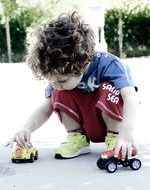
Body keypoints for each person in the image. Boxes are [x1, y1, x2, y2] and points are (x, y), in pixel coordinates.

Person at [6, 11, 139, 160]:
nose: (56, 85)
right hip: (84, 120)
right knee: (57, 93)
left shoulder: (110, 64)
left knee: (109, 88)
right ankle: (77, 137)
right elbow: (45, 108)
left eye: (61, 81)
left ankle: (114, 138)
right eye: (51, 81)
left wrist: (126, 133)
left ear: (84, 64)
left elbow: (130, 97)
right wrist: (26, 128)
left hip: (112, 123)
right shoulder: (59, 80)